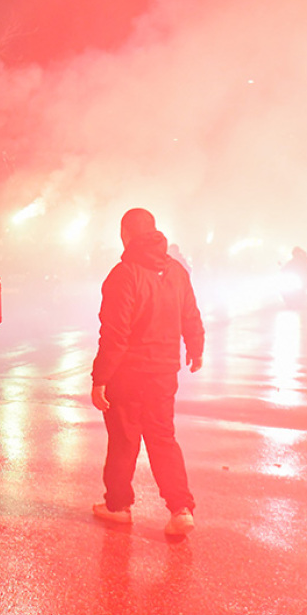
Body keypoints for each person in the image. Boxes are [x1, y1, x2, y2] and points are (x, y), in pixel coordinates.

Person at [90, 208, 204, 537]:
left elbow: (115, 334)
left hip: (128, 375)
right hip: (164, 372)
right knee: (163, 438)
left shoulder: (124, 275)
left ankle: (118, 506)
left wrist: (100, 378)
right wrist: (195, 348)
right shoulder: (176, 272)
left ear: (125, 235)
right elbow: (190, 314)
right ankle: (180, 509)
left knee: (123, 440)